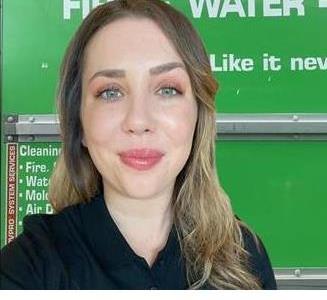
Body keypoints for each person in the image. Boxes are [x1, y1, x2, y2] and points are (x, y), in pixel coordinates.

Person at [0, 0, 276, 290]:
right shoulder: (26, 270)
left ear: (198, 115)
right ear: (78, 121)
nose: (138, 120)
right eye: (110, 92)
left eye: (167, 89)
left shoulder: (245, 258)